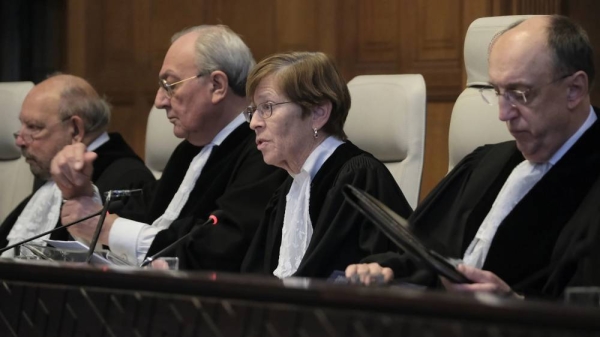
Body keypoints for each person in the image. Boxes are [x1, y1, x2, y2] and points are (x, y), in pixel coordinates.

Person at [346, 15, 600, 298]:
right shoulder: (486, 164)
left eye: (519, 93)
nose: (503, 114)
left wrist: (516, 305)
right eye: (497, 92)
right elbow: (424, 254)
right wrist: (389, 270)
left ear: (574, 90)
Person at [50, 25, 288, 270]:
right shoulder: (188, 150)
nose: (159, 101)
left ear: (217, 85)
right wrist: (83, 194)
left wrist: (108, 228)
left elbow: (223, 246)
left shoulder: (263, 152)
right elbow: (145, 214)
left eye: (170, 85)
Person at [240, 51, 412, 278]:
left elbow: (401, 270)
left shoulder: (359, 178)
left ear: (318, 113)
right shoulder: (289, 189)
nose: (254, 123)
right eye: (253, 111)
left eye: (267, 107)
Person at [0, 74, 155, 257]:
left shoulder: (129, 181)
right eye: (22, 126)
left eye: (34, 127)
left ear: (75, 130)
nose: (19, 141)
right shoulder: (50, 176)